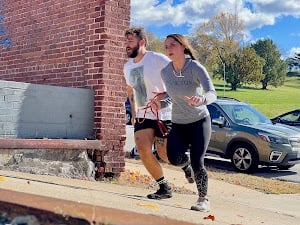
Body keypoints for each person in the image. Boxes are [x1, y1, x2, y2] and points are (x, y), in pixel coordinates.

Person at [153, 34, 217, 211]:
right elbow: (171, 99)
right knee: (173, 158)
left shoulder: (195, 68)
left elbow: (213, 93)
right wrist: (160, 103)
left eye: (173, 45)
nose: (168, 49)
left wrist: (202, 100)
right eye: (166, 46)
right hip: (179, 123)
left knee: (198, 161)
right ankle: (185, 167)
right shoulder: (165, 72)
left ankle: (203, 199)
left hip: (199, 121)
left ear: (183, 47)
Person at [123, 27, 174, 200]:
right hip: (144, 114)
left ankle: (185, 164)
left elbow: (177, 82)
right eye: (126, 42)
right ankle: (164, 187)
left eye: (130, 41)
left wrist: (165, 100)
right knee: (143, 149)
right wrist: (134, 109)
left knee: (165, 154)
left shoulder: (158, 59)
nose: (127, 45)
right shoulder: (128, 66)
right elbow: (131, 90)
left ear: (142, 42)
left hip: (164, 113)